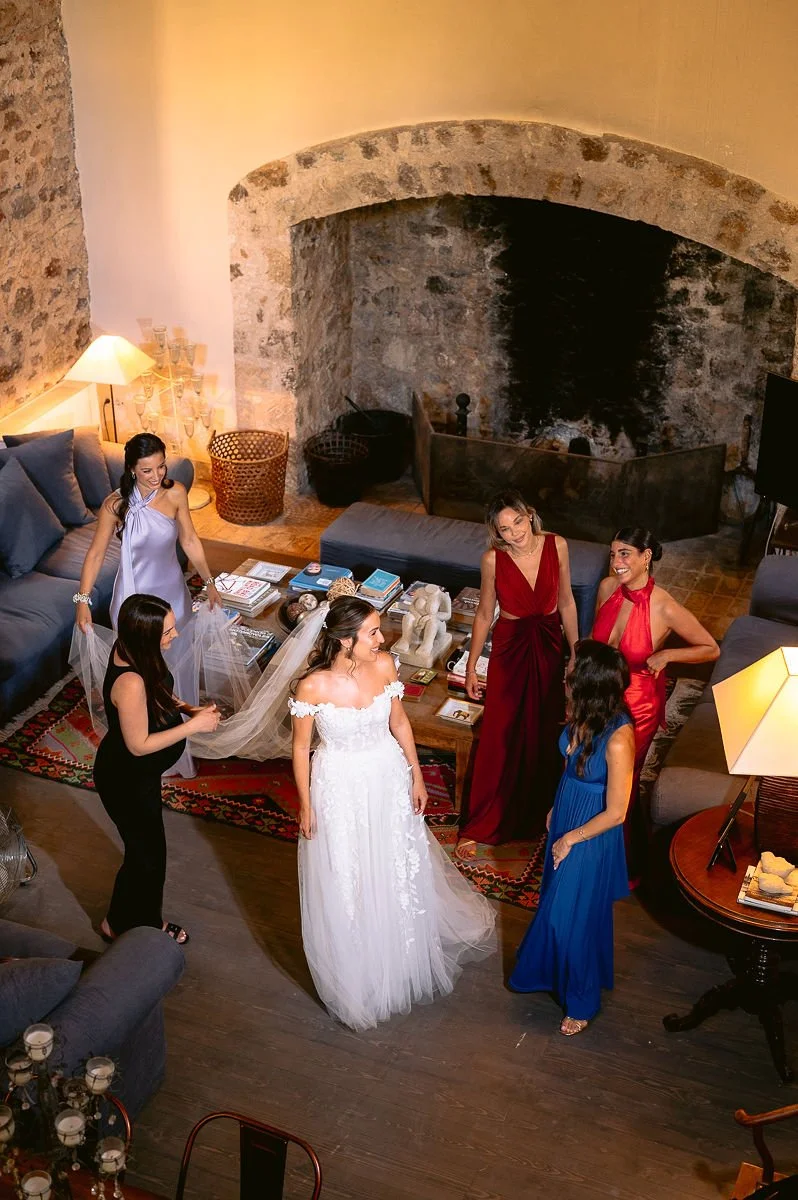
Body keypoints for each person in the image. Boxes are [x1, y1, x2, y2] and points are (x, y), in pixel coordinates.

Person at [290, 596, 496, 1031]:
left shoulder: (385, 665)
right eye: (373, 633)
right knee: (350, 870)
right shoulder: (313, 687)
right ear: (345, 641)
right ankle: (359, 965)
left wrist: (416, 776)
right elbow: (299, 749)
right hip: (340, 785)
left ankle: (399, 952)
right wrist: (306, 803)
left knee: (394, 863)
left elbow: (400, 722)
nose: (382, 639)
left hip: (386, 776)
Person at [73, 433, 220, 777]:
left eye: (161, 466)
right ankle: (144, 741)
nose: (156, 475)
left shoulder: (176, 492)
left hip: (171, 596)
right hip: (132, 602)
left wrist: (210, 581)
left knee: (173, 669)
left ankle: (176, 745)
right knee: (141, 676)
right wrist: (83, 599)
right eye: (147, 470)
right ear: (131, 469)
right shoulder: (114, 505)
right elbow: (95, 554)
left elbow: (189, 539)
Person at [509, 639, 635, 1036]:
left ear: (588, 683)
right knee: (566, 908)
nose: (566, 669)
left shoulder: (619, 738)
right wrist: (554, 808)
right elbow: (570, 769)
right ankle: (554, 975)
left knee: (568, 919)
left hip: (592, 833)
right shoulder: (582, 714)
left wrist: (570, 839)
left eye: (573, 667)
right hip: (567, 814)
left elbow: (617, 812)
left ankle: (582, 1002)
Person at [455, 491, 579, 860]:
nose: (515, 533)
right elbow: (483, 614)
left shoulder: (558, 546)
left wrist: (575, 653)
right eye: (505, 529)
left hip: (550, 645)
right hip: (509, 649)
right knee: (501, 731)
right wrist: (473, 664)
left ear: (530, 516)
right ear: (497, 534)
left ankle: (540, 813)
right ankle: (484, 820)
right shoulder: (493, 560)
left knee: (545, 728)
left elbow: (568, 601)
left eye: (518, 522)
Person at [591, 526, 719, 878]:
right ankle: (587, 846)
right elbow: (595, 643)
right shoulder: (606, 588)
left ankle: (618, 864)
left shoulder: (664, 606)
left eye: (625, 554)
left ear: (646, 556)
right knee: (593, 773)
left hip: (638, 705)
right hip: (599, 697)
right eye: (613, 553)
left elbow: (710, 647)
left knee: (622, 782)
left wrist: (668, 655)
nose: (616, 562)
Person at [93, 594, 220, 944]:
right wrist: (192, 727)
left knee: (144, 853)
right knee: (148, 858)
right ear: (146, 637)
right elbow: (138, 745)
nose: (175, 636)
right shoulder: (130, 681)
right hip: (126, 779)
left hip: (140, 776)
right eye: (167, 632)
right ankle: (135, 925)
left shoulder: (135, 651)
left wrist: (188, 709)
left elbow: (159, 691)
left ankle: (122, 921)